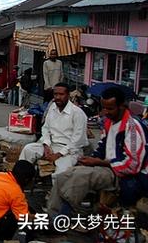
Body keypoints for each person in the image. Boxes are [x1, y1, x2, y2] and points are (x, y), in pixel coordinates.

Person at [48, 87, 148, 216]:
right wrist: (89, 160)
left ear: (122, 106)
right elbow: (102, 147)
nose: (105, 112)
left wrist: (101, 162)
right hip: (105, 167)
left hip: (123, 175)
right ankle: (52, 214)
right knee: (64, 176)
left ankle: (63, 215)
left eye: (110, 108)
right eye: (104, 108)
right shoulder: (109, 122)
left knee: (79, 178)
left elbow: (132, 165)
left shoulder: (132, 127)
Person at [19, 82, 88, 180]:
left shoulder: (77, 113)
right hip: (52, 145)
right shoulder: (52, 108)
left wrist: (58, 154)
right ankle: (21, 181)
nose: (58, 97)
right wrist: (46, 145)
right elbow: (46, 128)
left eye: (61, 94)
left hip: (70, 150)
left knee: (61, 173)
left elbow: (77, 140)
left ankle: (56, 194)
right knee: (28, 150)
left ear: (68, 95)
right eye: (55, 94)